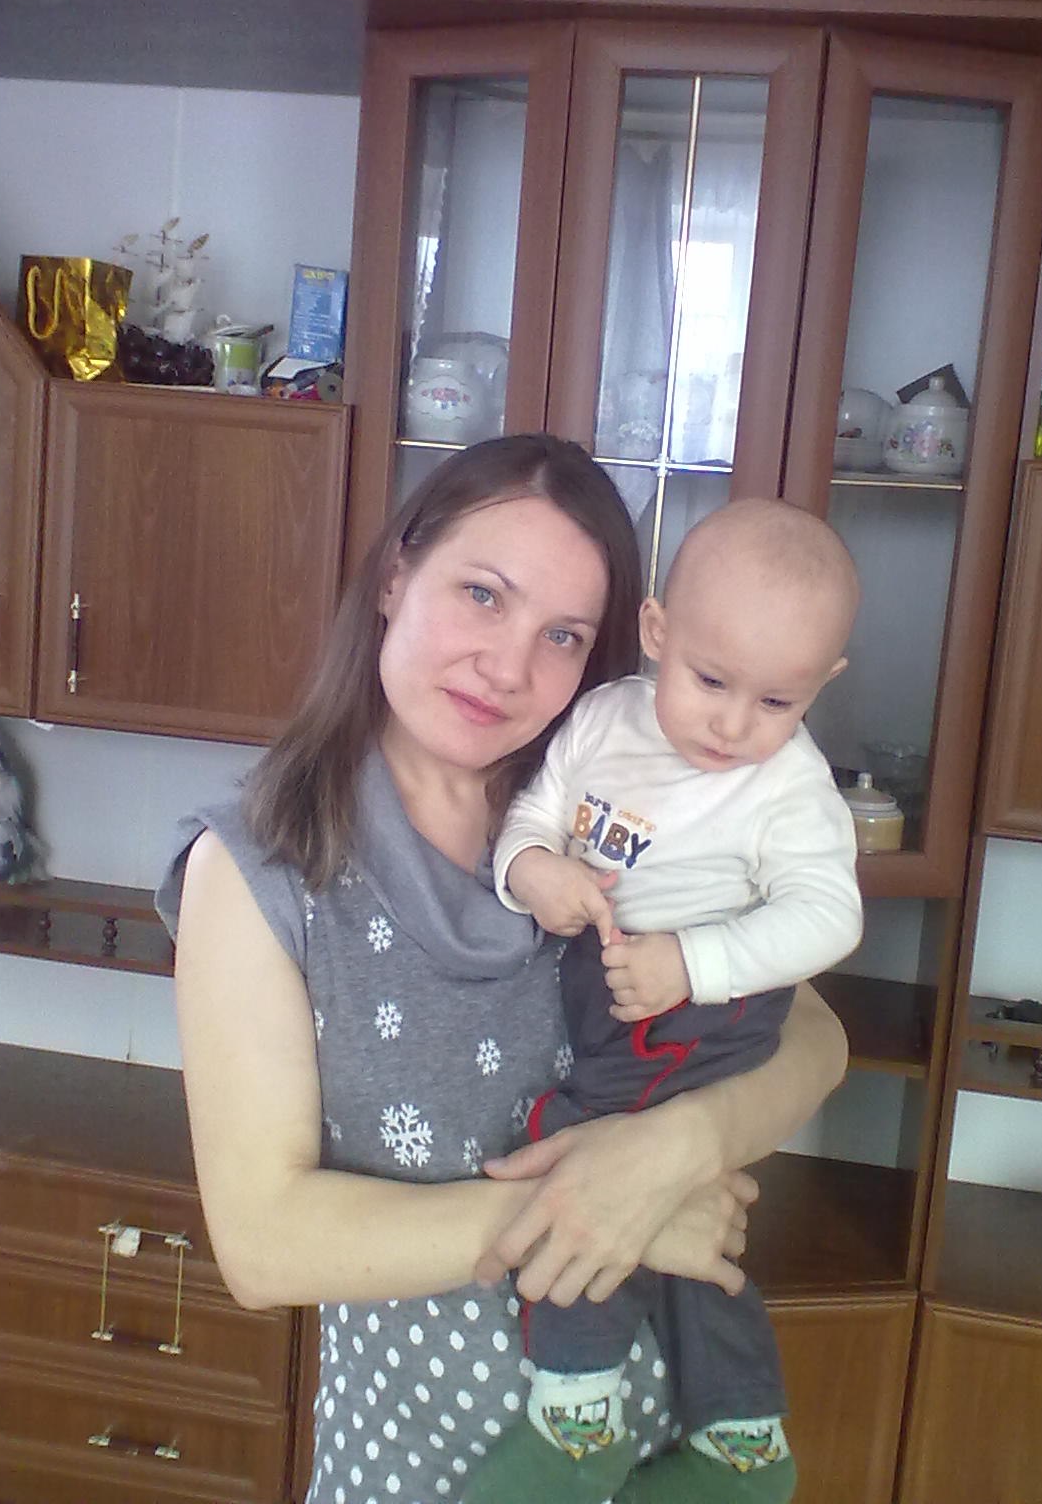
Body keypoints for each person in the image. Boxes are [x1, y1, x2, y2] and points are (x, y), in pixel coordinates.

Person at [157, 435, 849, 1504]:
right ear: (396, 576)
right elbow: (264, 1244)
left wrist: (681, 1148)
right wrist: (600, 1206)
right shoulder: (260, 870)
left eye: (561, 634)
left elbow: (813, 1034)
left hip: (663, 1454)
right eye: (482, 594)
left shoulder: (611, 808)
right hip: (421, 1469)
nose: (509, 667)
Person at [472, 499, 862, 1504]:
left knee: (577, 1152)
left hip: (701, 1013)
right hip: (607, 989)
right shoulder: (605, 718)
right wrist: (532, 869)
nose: (734, 725)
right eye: (710, 681)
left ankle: (575, 1415)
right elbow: (536, 811)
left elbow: (829, 919)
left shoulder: (790, 789)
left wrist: (693, 962)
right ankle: (743, 1437)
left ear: (822, 684)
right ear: (656, 633)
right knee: (679, 1207)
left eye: (776, 702)